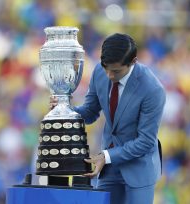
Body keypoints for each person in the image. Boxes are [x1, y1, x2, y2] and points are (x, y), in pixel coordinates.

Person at [50, 33, 166, 204]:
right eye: (106, 67)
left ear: (133, 61)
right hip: (107, 167)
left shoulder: (152, 89)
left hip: (138, 170)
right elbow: (90, 112)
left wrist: (107, 156)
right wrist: (65, 111)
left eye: (116, 71)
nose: (110, 75)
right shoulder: (99, 71)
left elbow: (146, 141)